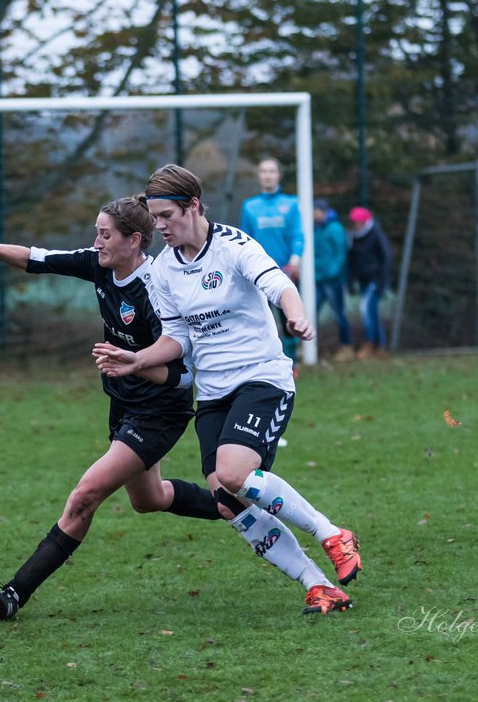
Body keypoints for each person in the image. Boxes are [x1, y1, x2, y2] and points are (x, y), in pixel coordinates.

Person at [0, 199, 346, 619]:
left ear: (135, 241)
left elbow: (185, 376)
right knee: (149, 499)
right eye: (96, 232)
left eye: (105, 234)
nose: (96, 242)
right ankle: (232, 502)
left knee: (84, 496)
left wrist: (134, 364)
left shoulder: (156, 287)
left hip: (158, 413)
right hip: (124, 405)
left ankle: (14, 593)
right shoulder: (100, 264)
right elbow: (39, 258)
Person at [94, 165, 362, 615]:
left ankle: (331, 533)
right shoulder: (162, 270)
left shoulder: (234, 245)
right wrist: (138, 360)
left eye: (165, 216)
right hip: (214, 392)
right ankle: (318, 585)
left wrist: (296, 315)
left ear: (193, 206)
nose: (158, 226)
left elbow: (280, 286)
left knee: (235, 473)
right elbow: (176, 338)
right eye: (154, 218)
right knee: (226, 499)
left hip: (262, 378)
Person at [240, 157, 305, 368]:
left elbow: (298, 235)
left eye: (271, 171)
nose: (267, 175)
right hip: (258, 273)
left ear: (279, 175)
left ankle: (292, 363)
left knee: (289, 318)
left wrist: (295, 261)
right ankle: (264, 362)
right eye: (263, 171)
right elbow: (244, 240)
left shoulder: (291, 204)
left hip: (285, 271)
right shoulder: (250, 206)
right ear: (259, 176)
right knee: (260, 318)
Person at [345, 205, 393, 358]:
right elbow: (352, 260)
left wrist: (382, 281)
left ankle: (369, 343)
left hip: (376, 279)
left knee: (365, 309)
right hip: (364, 280)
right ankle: (381, 346)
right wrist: (351, 281)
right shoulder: (354, 237)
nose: (356, 225)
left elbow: (386, 258)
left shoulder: (376, 234)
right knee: (371, 312)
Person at [312, 198, 354, 360]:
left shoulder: (335, 228)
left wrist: (332, 273)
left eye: (315, 211)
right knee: (310, 312)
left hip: (332, 280)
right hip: (317, 279)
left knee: (338, 313)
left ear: (322, 211)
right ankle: (308, 346)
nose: (313, 214)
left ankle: (346, 346)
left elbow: (340, 254)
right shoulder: (315, 228)